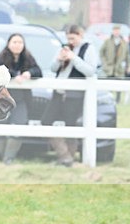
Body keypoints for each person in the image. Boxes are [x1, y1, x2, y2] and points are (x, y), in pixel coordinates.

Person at [41, 25, 98, 167]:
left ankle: (68, 159)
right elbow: (53, 68)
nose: (70, 41)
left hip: (75, 94)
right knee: (46, 121)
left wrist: (74, 58)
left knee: (70, 126)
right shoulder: (65, 47)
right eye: (68, 38)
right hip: (59, 92)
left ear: (81, 35)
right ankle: (64, 155)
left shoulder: (88, 49)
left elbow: (90, 71)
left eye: (73, 38)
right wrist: (59, 59)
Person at [0, 33, 42, 164]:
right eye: (14, 42)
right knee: (2, 127)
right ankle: (2, 156)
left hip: (21, 100)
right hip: (3, 99)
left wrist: (28, 73)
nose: (17, 45)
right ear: (9, 44)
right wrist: (16, 76)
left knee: (19, 126)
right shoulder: (1, 57)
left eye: (20, 42)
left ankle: (8, 158)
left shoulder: (27, 57)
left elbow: (38, 71)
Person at [99, 24, 130, 102]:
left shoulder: (124, 42)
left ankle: (118, 100)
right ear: (113, 31)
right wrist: (105, 63)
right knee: (109, 85)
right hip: (109, 67)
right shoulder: (107, 42)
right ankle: (109, 99)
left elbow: (127, 55)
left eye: (118, 31)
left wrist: (128, 66)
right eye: (115, 30)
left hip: (119, 67)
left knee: (119, 85)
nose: (116, 32)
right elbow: (101, 52)